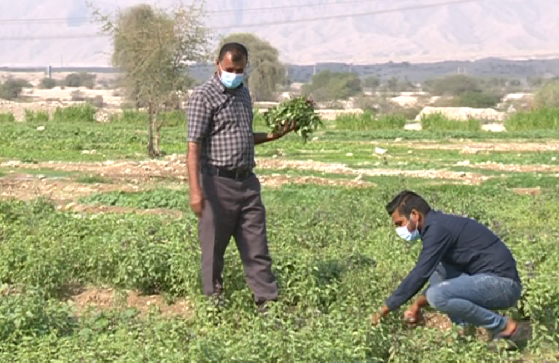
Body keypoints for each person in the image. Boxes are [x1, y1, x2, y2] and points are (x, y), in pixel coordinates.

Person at [186, 42, 295, 311]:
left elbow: (243, 137)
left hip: (247, 183)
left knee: (257, 247)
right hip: (215, 183)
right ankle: (214, 306)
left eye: (240, 69)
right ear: (218, 64)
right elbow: (193, 147)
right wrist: (196, 191)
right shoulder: (204, 96)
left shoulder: (244, 95)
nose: (234, 74)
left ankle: (267, 305)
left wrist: (273, 135)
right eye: (229, 69)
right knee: (213, 250)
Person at [373, 190, 529, 349]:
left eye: (400, 223)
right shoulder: (438, 226)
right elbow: (436, 275)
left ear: (414, 214)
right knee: (438, 271)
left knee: (437, 295)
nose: (399, 230)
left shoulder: (438, 230)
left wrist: (384, 310)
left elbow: (419, 274)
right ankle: (464, 329)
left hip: (503, 286)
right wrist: (417, 306)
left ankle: (504, 326)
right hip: (491, 282)